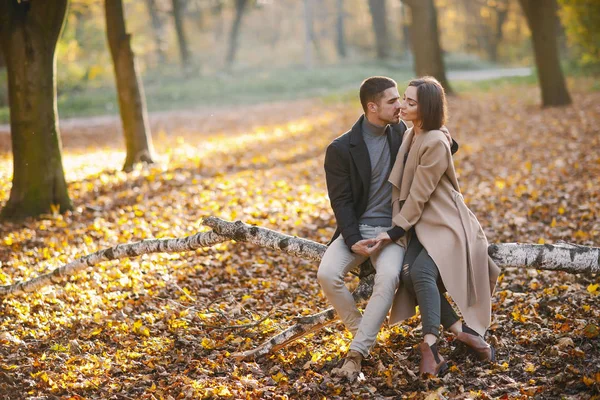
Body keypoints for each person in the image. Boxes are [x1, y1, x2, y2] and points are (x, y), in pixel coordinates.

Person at [318, 76, 457, 381]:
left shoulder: (402, 134)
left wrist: (445, 136)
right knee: (326, 274)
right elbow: (340, 202)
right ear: (372, 106)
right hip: (355, 229)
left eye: (401, 100)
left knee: (389, 277)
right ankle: (362, 334)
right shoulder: (341, 149)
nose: (400, 106)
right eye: (393, 101)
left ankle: (356, 353)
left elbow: (435, 138)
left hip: (393, 231)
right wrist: (353, 240)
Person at [374, 76, 501, 378]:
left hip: (446, 223)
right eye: (403, 98)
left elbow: (419, 194)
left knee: (420, 272)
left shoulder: (433, 141)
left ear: (426, 108)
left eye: (410, 102)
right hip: (420, 224)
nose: (403, 105)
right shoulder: (413, 133)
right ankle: (462, 331)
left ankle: (429, 346)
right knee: (408, 275)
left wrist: (394, 230)